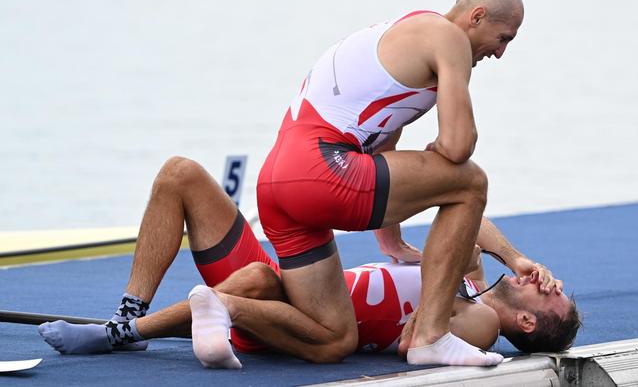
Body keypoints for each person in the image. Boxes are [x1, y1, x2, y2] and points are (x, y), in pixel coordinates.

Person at [38, 157, 580, 367]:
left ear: (527, 321)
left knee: (252, 281)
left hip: (296, 323)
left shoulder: (482, 325)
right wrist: (513, 255)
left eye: (551, 292)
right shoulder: (472, 283)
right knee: (181, 175)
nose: (548, 281)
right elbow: (470, 218)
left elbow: (419, 339)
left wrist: (457, 263)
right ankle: (129, 315)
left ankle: (123, 332)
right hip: (291, 282)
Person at [244, 0, 527, 366]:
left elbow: (383, 142)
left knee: (333, 337)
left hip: (276, 180)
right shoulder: (449, 39)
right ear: (476, 16)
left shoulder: (409, 34)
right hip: (320, 167)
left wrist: (390, 242)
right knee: (470, 183)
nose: (500, 53)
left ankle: (211, 306)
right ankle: (430, 335)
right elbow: (459, 147)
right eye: (504, 38)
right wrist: (444, 151)